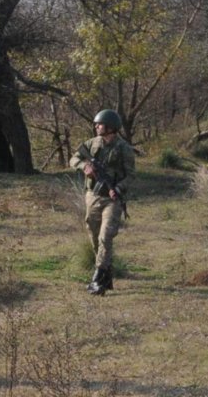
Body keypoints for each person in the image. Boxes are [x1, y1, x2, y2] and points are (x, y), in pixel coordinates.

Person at [69, 109, 136, 296]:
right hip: (93, 196)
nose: (97, 126)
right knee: (94, 234)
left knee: (105, 237)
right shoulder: (91, 144)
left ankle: (97, 279)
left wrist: (119, 188)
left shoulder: (124, 149)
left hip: (112, 200)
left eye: (100, 124)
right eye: (97, 124)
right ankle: (106, 275)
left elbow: (131, 175)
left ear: (111, 128)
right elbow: (74, 158)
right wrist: (85, 167)